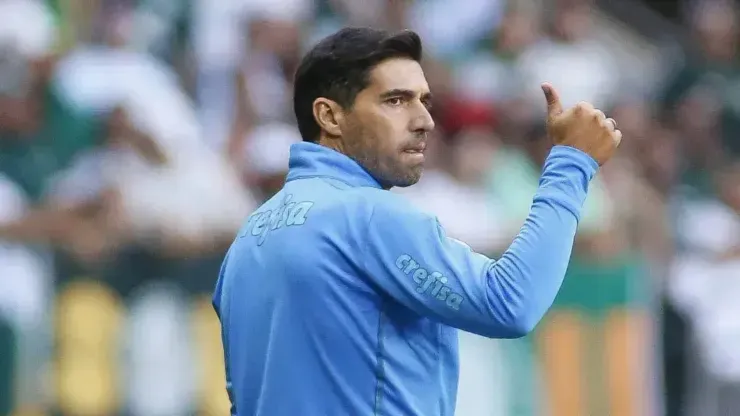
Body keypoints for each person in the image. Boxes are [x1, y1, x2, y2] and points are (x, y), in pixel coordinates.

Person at [212, 27, 622, 416]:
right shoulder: (369, 215)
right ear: (330, 117)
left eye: (424, 101)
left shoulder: (248, 238)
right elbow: (510, 304)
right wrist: (572, 164)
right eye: (395, 100)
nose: (424, 119)